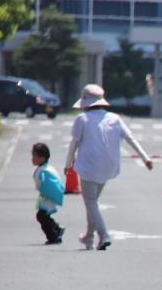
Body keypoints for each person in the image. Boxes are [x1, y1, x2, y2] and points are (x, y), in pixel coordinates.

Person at [64, 83, 154, 251]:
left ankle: (103, 235)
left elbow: (74, 144)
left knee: (90, 202)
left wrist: (68, 164)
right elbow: (130, 139)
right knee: (93, 203)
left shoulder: (82, 120)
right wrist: (145, 158)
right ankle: (89, 237)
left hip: (88, 167)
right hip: (108, 167)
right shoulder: (114, 118)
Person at [31, 142, 65, 245]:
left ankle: (53, 236)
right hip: (46, 196)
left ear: (42, 158)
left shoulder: (45, 170)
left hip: (48, 197)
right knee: (43, 215)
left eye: (34, 156)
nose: (32, 158)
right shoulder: (46, 168)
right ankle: (56, 228)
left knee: (41, 216)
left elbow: (47, 185)